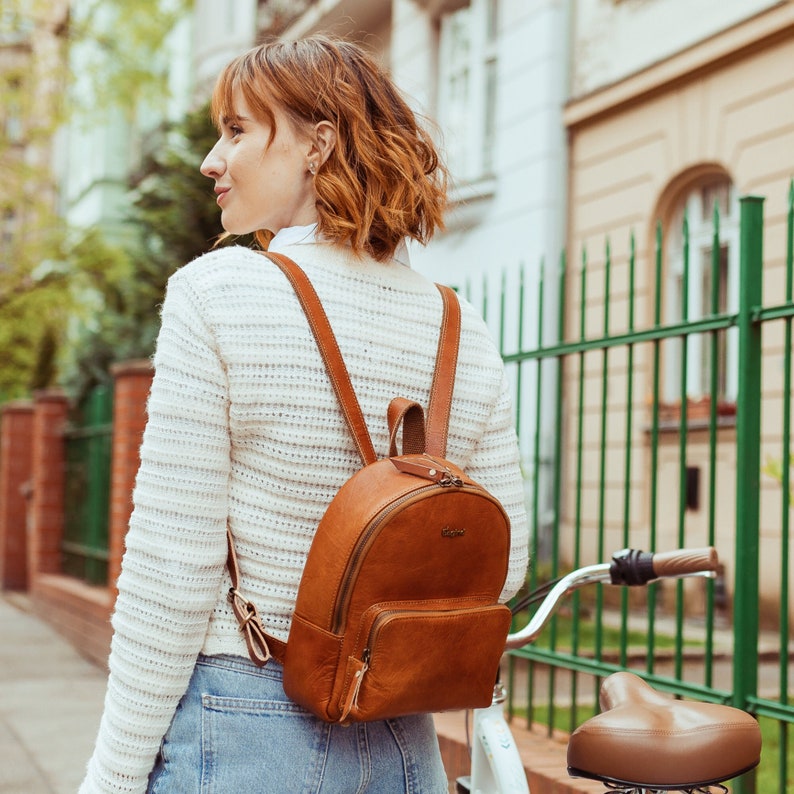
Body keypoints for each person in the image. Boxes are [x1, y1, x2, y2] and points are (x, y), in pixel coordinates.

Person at [80, 35, 529, 793]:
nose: (210, 162)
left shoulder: (216, 294)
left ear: (318, 144)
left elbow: (169, 572)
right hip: (400, 737)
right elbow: (502, 563)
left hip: (244, 723)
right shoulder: (461, 324)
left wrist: (113, 776)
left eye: (238, 130)